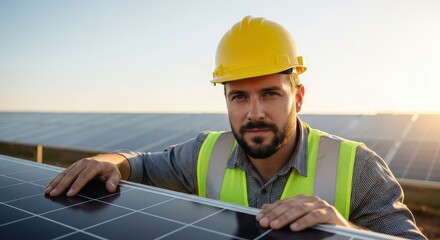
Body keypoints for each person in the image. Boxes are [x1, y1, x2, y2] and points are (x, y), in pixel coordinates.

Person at [45, 16, 426, 239]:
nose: (254, 113)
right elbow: (140, 164)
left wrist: (343, 231)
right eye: (239, 97)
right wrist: (109, 161)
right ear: (226, 100)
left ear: (299, 97)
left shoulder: (357, 167)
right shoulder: (204, 152)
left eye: (270, 94)